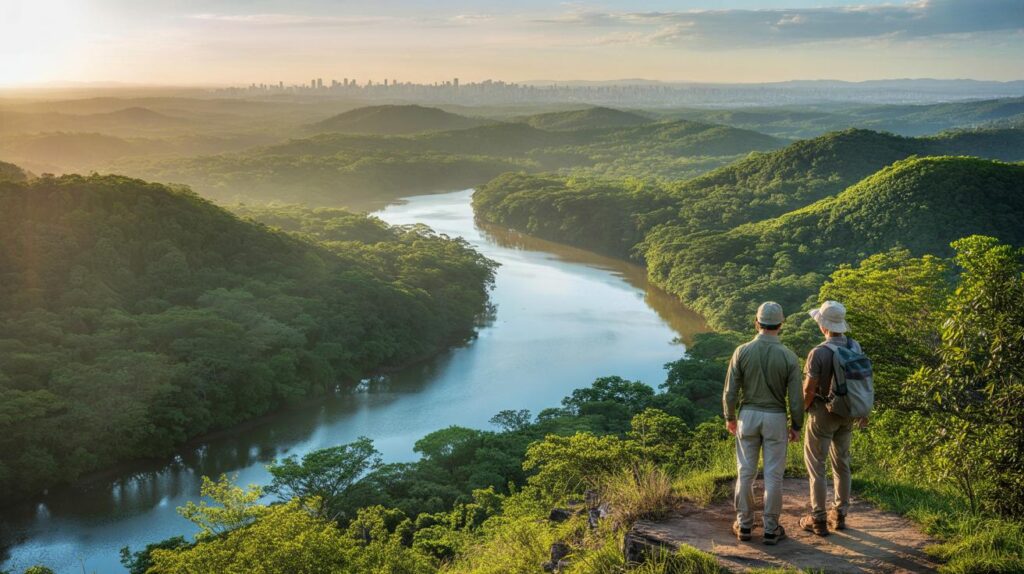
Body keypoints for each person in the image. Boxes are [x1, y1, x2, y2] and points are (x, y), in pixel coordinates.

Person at [723, 301, 803, 545]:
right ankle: (770, 528)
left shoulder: (742, 351)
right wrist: (796, 425)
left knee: (745, 471)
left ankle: (744, 525)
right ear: (781, 325)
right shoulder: (788, 356)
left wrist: (730, 416)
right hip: (776, 417)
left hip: (748, 416)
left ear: (757, 323)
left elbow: (730, 391)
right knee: (773, 475)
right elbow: (796, 398)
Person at [800, 300, 865, 536]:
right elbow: (861, 382)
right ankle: (839, 515)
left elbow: (809, 390)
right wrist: (863, 412)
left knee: (817, 466)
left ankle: (817, 519)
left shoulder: (818, 353)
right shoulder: (855, 346)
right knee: (842, 464)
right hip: (848, 413)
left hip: (822, 413)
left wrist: (801, 412)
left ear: (823, 326)